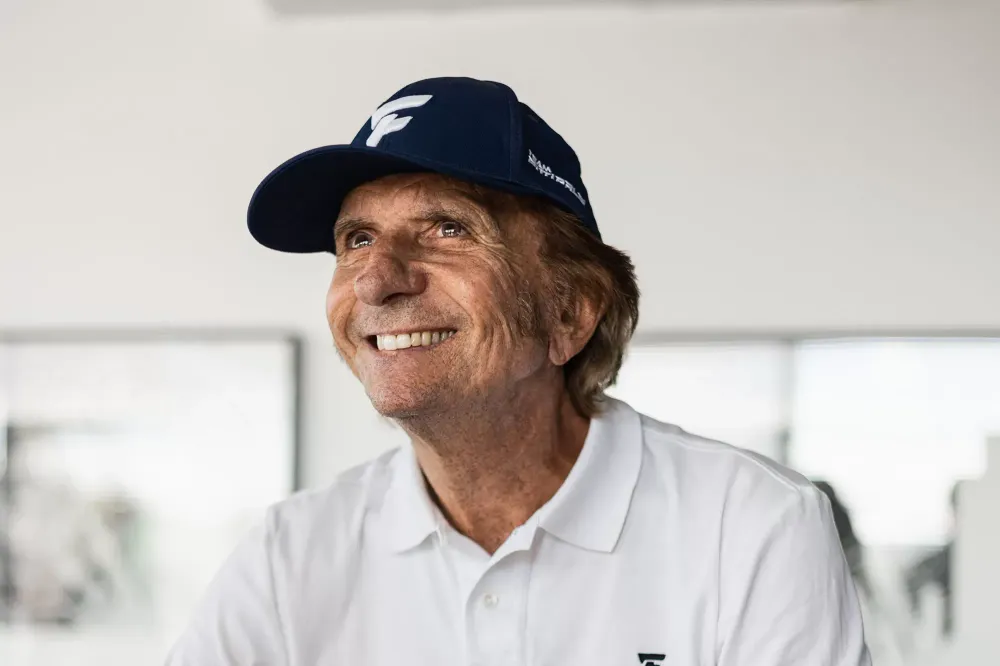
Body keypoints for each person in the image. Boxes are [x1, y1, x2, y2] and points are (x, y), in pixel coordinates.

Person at [166, 77, 870, 665]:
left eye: (448, 229)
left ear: (569, 312)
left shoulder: (752, 525)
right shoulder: (290, 553)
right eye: (356, 238)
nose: (375, 280)